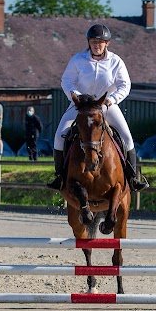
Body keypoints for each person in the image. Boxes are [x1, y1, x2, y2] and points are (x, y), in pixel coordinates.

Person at [47, 23, 148, 192]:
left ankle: (133, 178)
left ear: (107, 43)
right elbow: (67, 81)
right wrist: (77, 96)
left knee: (127, 138)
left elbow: (124, 85)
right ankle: (59, 177)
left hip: (106, 106)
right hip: (80, 107)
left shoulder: (115, 61)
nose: (96, 45)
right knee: (59, 136)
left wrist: (112, 99)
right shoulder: (78, 60)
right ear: (89, 42)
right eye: (93, 42)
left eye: (100, 42)